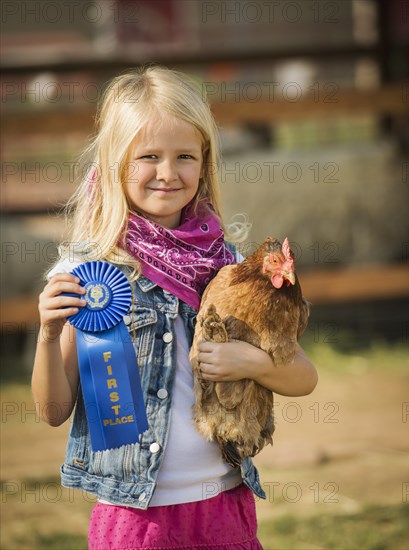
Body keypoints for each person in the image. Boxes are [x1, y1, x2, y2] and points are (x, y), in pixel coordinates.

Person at [32, 65, 318, 550]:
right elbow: (53, 410)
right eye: (149, 156)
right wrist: (47, 333)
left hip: (223, 506)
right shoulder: (86, 273)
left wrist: (254, 362)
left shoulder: (228, 269)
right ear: (116, 162)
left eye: (185, 156)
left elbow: (304, 377)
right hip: (135, 518)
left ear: (205, 164)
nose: (168, 173)